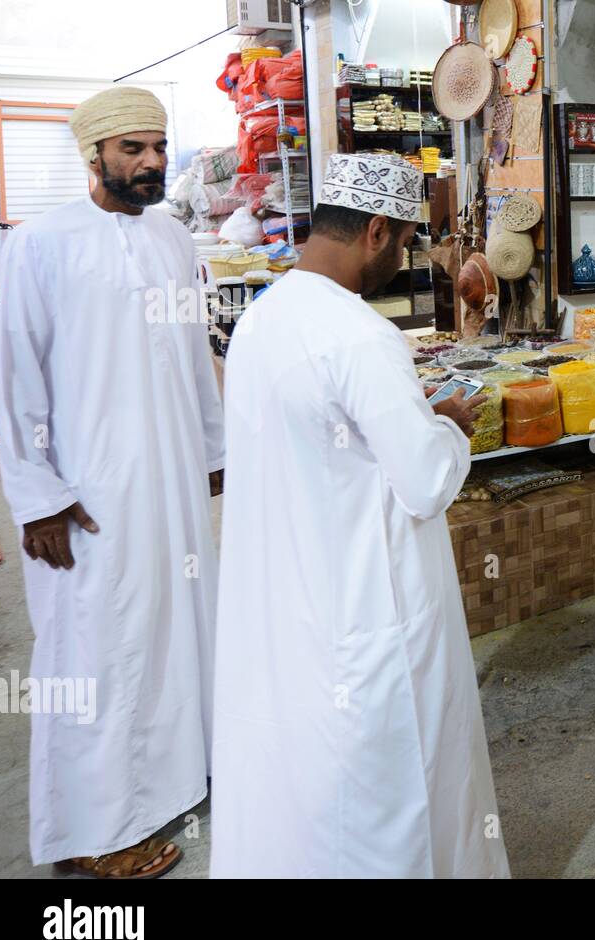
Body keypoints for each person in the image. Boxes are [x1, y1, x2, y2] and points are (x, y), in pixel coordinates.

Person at [210, 154, 510, 878]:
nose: (405, 257)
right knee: (391, 788)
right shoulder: (362, 334)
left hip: (292, 602)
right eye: (406, 242)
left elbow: (322, 442)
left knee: (305, 785)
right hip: (367, 609)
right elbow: (426, 479)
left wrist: (413, 413)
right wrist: (448, 428)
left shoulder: (263, 318)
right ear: (376, 230)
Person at [0, 87, 224, 878]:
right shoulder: (40, 244)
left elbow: (194, 361)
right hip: (85, 494)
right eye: (133, 149)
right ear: (94, 156)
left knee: (178, 628)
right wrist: (38, 497)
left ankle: (175, 776)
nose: (152, 162)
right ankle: (91, 830)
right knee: (93, 651)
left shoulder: (172, 239)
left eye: (158, 146)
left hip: (171, 483)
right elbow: (15, 378)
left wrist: (212, 451)